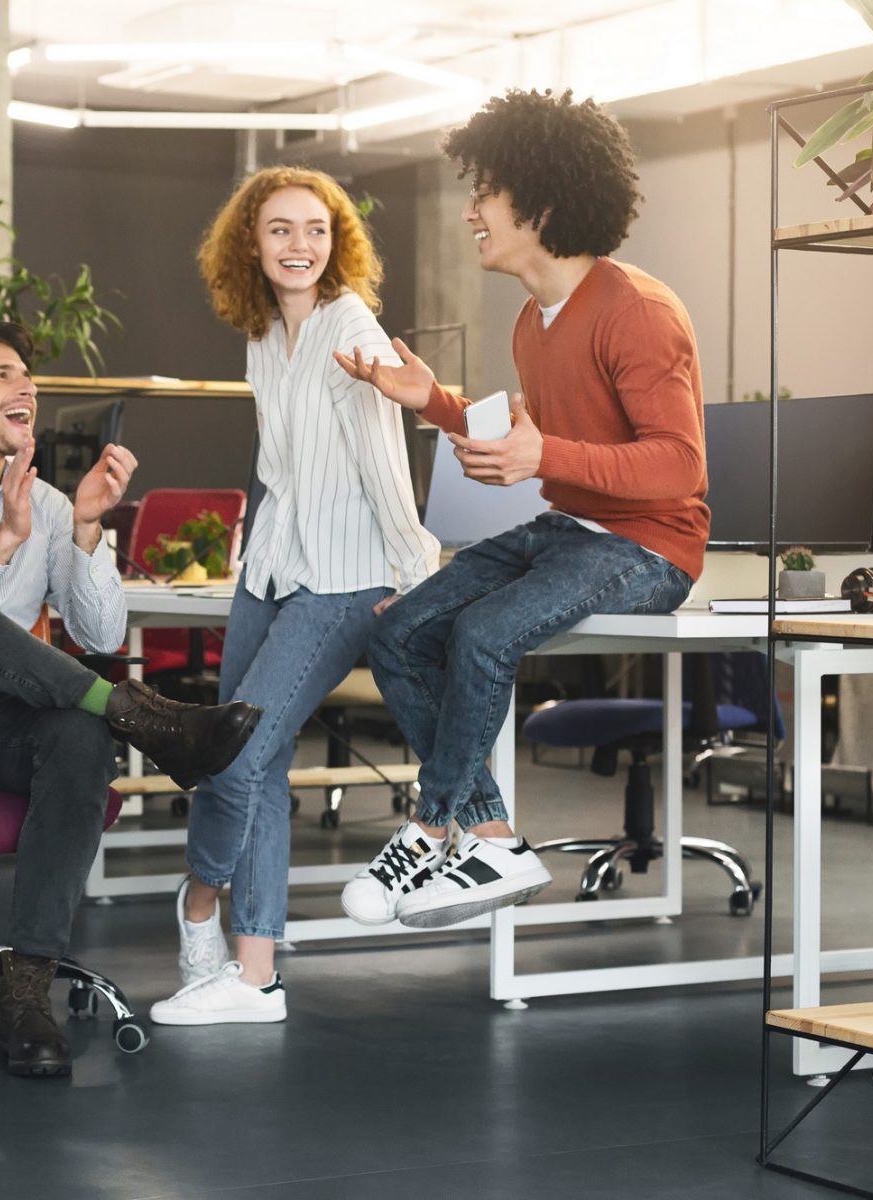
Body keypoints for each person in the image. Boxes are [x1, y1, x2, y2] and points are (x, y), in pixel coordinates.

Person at [0, 320, 262, 1077]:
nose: (26, 387)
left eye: (27, 376)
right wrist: (4, 541)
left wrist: (89, 527)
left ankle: (26, 991)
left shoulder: (51, 500)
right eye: (1, 374)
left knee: (78, 733)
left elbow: (100, 631)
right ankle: (146, 719)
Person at [336, 88, 708, 930]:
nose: (470, 211)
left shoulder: (639, 313)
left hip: (649, 547)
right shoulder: (534, 320)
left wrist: (548, 457)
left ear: (540, 204)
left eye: (485, 193)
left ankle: (434, 824)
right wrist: (431, 401)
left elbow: (681, 466)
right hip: (570, 530)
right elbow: (525, 439)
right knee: (396, 631)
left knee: (483, 632)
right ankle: (495, 836)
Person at [148, 167, 439, 1027]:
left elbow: (387, 460)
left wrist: (415, 573)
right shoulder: (264, 336)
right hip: (272, 570)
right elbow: (279, 472)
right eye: (280, 230)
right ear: (252, 244)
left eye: (315, 230)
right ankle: (257, 974)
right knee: (243, 759)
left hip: (345, 576)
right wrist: (249, 559)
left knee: (237, 755)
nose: (299, 246)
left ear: (336, 241)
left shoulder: (353, 327)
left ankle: (204, 907)